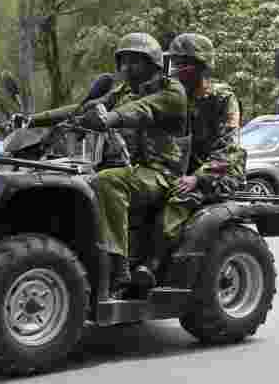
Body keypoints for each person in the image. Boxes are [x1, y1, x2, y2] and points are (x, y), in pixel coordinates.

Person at [26, 32, 187, 298]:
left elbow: (142, 110)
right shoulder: (123, 91)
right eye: (123, 62)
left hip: (161, 173)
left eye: (135, 61)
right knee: (73, 181)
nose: (126, 68)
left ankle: (117, 267)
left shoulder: (170, 91)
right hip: (131, 169)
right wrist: (34, 120)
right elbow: (84, 108)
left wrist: (110, 118)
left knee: (108, 181)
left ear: (153, 64)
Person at [161, 33, 247, 244]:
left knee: (178, 202)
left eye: (184, 63)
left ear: (201, 66)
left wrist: (198, 178)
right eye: (175, 63)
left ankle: (156, 261)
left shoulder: (222, 99)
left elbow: (229, 149)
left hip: (221, 172)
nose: (177, 69)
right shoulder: (175, 96)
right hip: (183, 171)